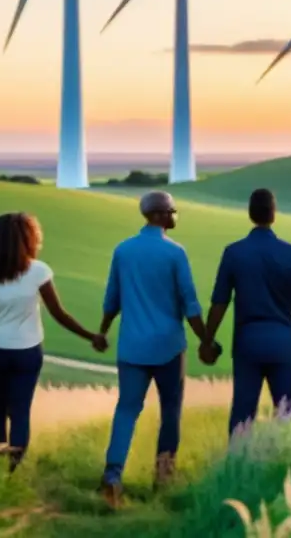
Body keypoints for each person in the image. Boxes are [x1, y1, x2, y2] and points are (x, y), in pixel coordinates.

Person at [98, 191, 212, 507]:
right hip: (169, 348)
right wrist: (205, 339)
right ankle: (163, 478)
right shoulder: (175, 253)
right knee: (170, 410)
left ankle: (112, 475)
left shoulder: (123, 251)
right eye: (173, 211)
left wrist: (102, 331)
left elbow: (112, 299)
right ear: (162, 215)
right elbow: (190, 304)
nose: (176, 215)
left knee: (126, 409)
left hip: (132, 347)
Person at [0, 212, 107, 473]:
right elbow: (59, 314)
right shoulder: (38, 272)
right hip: (27, 352)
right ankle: (14, 470)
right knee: (20, 411)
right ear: (27, 239)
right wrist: (92, 336)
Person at [202, 188, 291, 436]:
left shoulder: (234, 253)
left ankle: (238, 470)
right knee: (286, 414)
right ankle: (288, 469)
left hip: (248, 340)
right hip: (283, 340)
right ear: (274, 214)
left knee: (243, 414)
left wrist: (207, 340)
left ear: (250, 214)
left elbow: (220, 303)